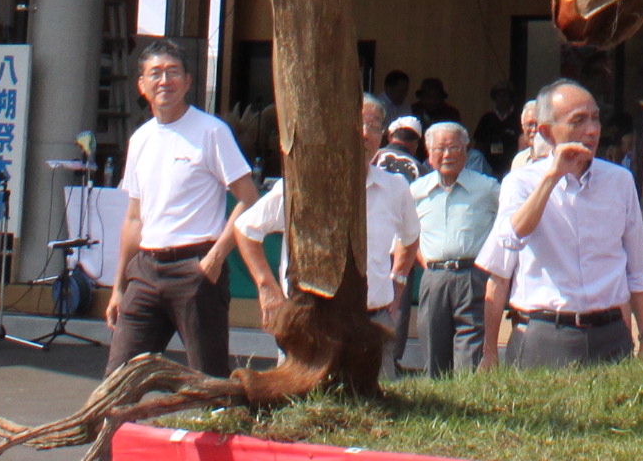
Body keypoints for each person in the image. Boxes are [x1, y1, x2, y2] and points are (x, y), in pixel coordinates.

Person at [107, 36, 259, 376]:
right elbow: (133, 219)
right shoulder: (141, 139)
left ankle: (216, 427)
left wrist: (215, 259)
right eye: (155, 73)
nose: (165, 81)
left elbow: (249, 198)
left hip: (195, 267)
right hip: (145, 270)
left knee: (209, 380)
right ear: (141, 84)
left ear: (188, 81)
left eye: (173, 72)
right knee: (118, 379)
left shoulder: (211, 131)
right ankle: (111, 430)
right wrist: (119, 286)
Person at [220, 96, 420, 354]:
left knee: (376, 392)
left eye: (374, 126)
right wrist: (267, 287)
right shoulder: (304, 185)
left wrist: (400, 277)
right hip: (312, 322)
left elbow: (411, 236)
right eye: (358, 123)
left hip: (371, 321)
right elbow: (246, 229)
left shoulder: (396, 188)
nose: (365, 134)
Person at [480, 79, 643, 369]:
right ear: (547, 131)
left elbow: (636, 269)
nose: (592, 130)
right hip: (545, 335)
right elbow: (511, 239)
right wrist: (552, 177)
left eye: (595, 118)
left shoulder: (619, 180)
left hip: (610, 334)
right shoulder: (521, 182)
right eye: (578, 121)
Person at [411, 122, 500, 376]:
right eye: (439, 148)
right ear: (428, 153)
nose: (447, 154)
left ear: (466, 149)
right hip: (433, 277)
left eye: (453, 148)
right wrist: (424, 262)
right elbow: (406, 234)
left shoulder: (488, 188)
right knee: (432, 348)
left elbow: (508, 224)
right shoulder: (417, 191)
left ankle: (469, 403)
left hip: (472, 275)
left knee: (470, 352)